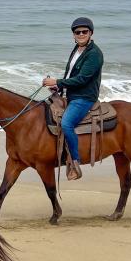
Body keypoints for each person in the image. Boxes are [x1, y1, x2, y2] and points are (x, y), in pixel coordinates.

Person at [42, 17, 104, 180]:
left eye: (85, 31)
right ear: (74, 35)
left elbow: (83, 78)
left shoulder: (94, 54)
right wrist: (59, 87)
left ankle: (74, 162)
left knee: (66, 123)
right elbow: (71, 75)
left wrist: (57, 81)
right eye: (78, 32)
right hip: (70, 93)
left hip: (84, 97)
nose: (81, 34)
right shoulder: (77, 49)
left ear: (91, 33)